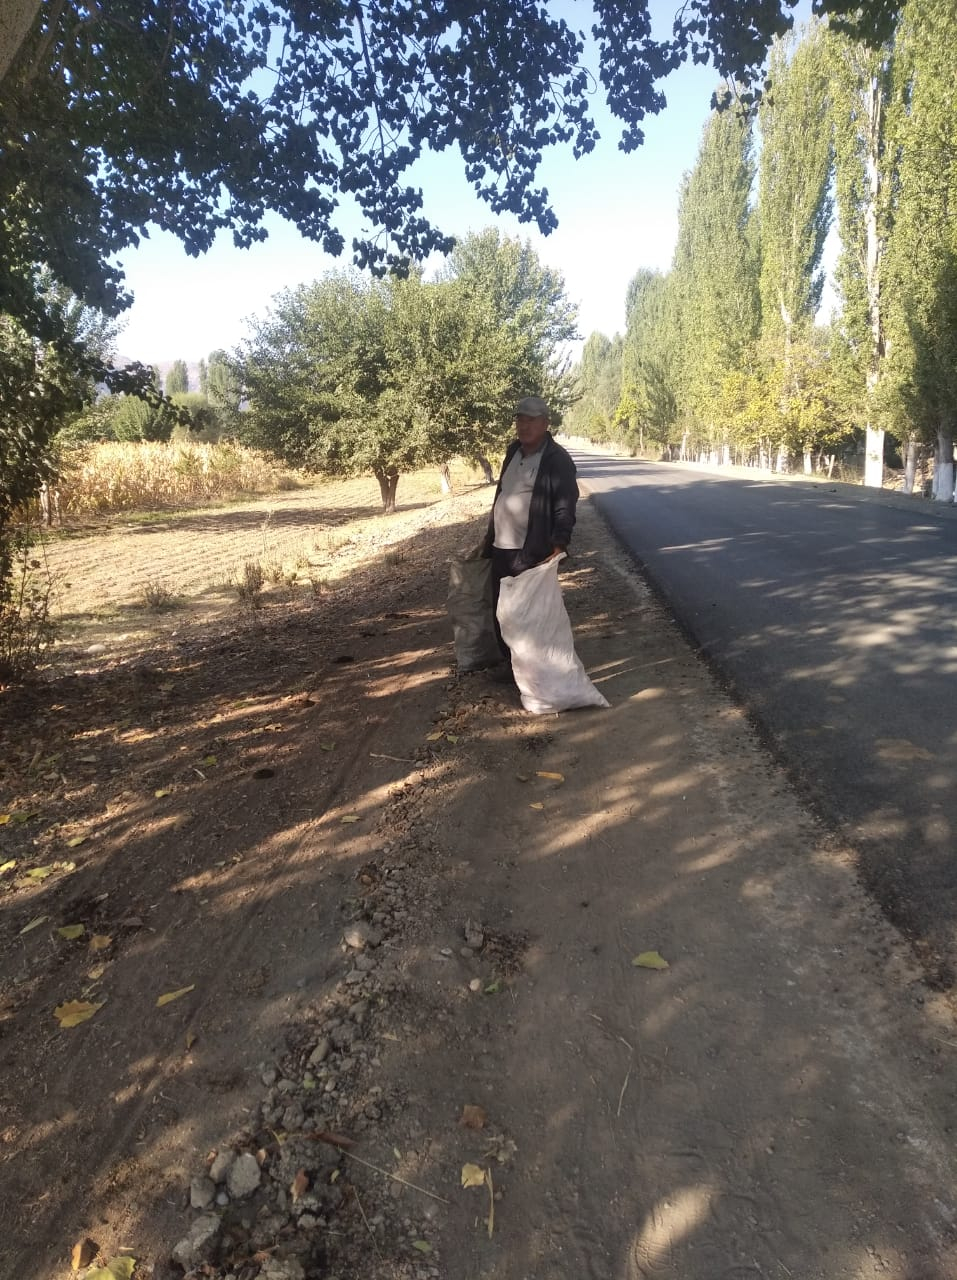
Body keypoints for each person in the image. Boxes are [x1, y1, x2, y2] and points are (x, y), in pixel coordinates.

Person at [481, 395, 579, 661]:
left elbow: (565, 505)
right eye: (520, 420)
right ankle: (512, 668)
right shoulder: (513, 451)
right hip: (501, 549)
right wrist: (489, 537)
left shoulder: (557, 460)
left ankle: (535, 673)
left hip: (531, 551)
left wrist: (559, 544)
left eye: (531, 420)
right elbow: (502, 494)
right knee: (502, 613)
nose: (524, 426)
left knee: (528, 617)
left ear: (545, 423)